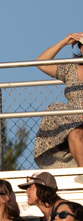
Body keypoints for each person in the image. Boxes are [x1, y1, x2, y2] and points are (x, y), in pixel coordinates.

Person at [33, 32, 83, 168]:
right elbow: (41, 62)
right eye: (82, 45)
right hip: (73, 119)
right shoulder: (71, 68)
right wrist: (64, 42)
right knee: (74, 134)